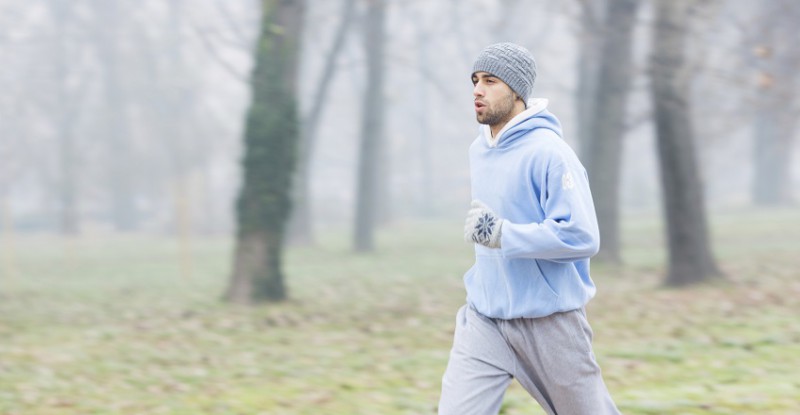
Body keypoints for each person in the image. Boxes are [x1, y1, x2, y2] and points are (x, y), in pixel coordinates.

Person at [437, 42, 621, 415]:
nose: (477, 89)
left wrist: (504, 234)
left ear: (517, 91)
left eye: (490, 81)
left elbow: (582, 236)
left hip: (548, 326)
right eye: (475, 80)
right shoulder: (480, 150)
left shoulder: (550, 153)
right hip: (485, 320)